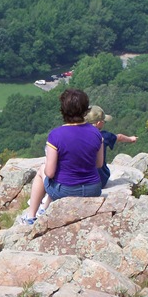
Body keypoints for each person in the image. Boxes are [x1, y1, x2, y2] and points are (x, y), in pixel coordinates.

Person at [19, 89, 104, 225]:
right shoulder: (96, 133)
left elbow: (50, 173)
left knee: (42, 170)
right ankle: (43, 209)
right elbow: (99, 164)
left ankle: (31, 217)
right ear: (86, 110)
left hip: (66, 191)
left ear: (63, 110)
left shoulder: (56, 135)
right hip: (93, 189)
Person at [84, 105, 138, 188]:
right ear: (99, 123)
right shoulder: (104, 136)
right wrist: (131, 139)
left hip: (81, 179)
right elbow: (119, 137)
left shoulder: (78, 135)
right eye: (104, 121)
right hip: (100, 179)